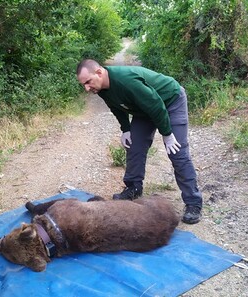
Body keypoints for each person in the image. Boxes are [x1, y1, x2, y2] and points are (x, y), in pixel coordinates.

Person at [76, 59, 203, 224]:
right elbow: (116, 107)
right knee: (134, 145)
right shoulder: (101, 88)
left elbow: (156, 104)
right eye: (83, 85)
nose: (86, 88)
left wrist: (167, 134)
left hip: (170, 101)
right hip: (146, 108)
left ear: (99, 72)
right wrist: (126, 129)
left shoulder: (126, 82)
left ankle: (193, 202)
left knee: (177, 152)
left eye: (88, 82)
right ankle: (133, 188)